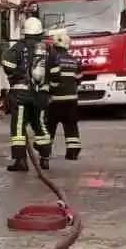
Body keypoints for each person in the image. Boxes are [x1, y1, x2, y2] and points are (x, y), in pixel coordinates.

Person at [1, 16, 57, 172]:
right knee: (39, 125)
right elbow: (56, 73)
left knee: (18, 128)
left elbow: (7, 66)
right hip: (40, 95)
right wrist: (49, 89)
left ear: (25, 32)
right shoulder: (48, 50)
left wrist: (16, 75)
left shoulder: (18, 47)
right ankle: (45, 157)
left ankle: (20, 161)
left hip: (20, 95)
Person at [46, 28, 82, 160]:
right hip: (71, 100)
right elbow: (78, 78)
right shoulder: (73, 60)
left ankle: (45, 151)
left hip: (54, 100)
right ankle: (73, 151)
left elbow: (47, 77)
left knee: (49, 126)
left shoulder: (51, 59)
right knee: (71, 126)